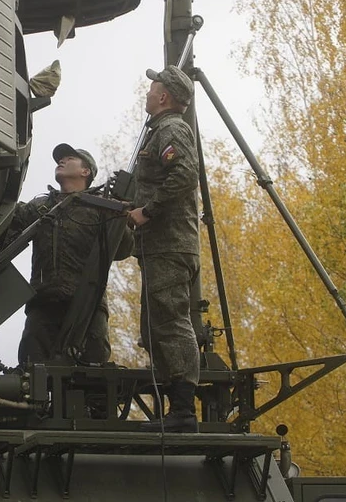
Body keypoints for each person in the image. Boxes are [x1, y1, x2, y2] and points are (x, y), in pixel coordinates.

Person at [127, 65, 201, 433]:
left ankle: (183, 411)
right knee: (156, 325)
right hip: (161, 245)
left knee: (171, 321)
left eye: (152, 87)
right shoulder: (161, 130)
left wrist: (148, 211)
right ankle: (174, 409)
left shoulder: (171, 129)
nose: (147, 92)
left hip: (170, 244)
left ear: (164, 96)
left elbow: (185, 174)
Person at [12, 144, 133, 366]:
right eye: (60, 159)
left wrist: (117, 214)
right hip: (44, 303)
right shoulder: (41, 206)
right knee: (31, 374)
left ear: (85, 172)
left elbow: (124, 249)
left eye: (69, 158)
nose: (61, 161)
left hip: (87, 307)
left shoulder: (100, 207)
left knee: (93, 375)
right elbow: (7, 222)